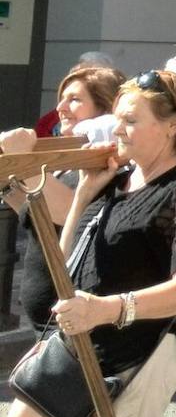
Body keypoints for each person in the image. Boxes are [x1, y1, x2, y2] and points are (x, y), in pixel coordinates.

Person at [3, 69, 176, 417]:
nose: (119, 129)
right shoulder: (117, 176)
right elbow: (64, 262)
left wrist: (105, 309)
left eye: (132, 121)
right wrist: (84, 191)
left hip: (144, 346)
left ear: (172, 125)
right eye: (118, 118)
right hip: (84, 337)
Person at [1, 64, 126, 334]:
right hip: (47, 317)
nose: (61, 107)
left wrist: (25, 164)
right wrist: (7, 181)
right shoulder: (65, 159)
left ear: (105, 109)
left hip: (75, 315)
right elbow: (35, 211)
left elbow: (72, 213)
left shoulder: (108, 161)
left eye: (75, 99)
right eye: (62, 98)